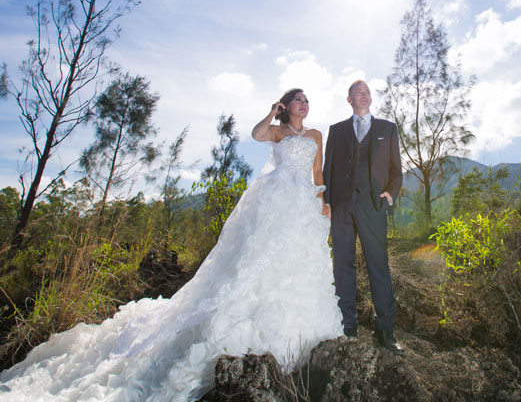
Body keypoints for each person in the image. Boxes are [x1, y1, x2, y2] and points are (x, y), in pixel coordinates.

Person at [0, 88, 343, 401]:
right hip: (275, 199)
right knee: (257, 261)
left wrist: (322, 200)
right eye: (298, 99)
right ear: (288, 106)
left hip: (302, 202)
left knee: (299, 262)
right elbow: (256, 134)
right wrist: (271, 112)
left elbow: (318, 172)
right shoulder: (278, 131)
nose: (304, 103)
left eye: (307, 100)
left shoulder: (315, 134)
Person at [323, 79, 404, 355]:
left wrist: (390, 194)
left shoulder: (387, 129)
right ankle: (348, 326)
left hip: (373, 206)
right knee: (343, 267)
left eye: (368, 92)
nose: (365, 95)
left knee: (378, 266)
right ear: (349, 100)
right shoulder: (336, 131)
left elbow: (396, 169)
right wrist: (328, 202)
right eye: (359, 92)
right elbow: (328, 169)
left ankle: (386, 331)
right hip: (342, 208)